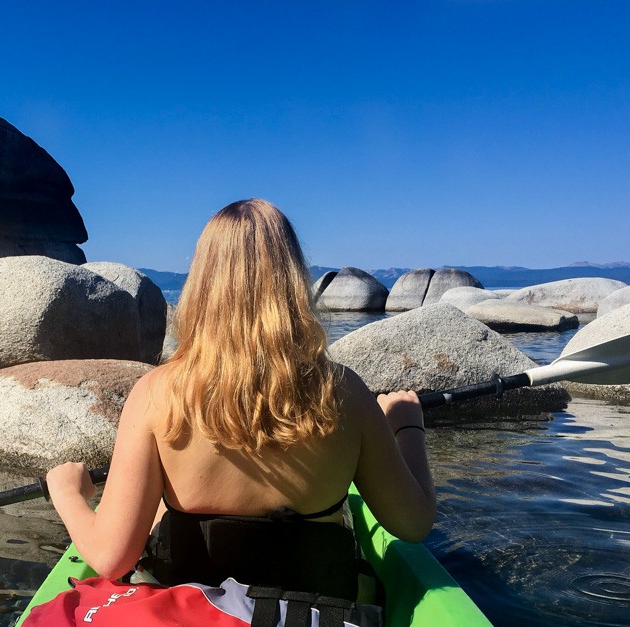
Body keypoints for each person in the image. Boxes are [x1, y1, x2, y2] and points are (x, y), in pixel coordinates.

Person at [45, 198, 435, 585]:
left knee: (164, 515)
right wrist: (406, 427)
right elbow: (413, 524)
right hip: (311, 624)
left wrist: (68, 492)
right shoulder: (345, 392)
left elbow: (111, 560)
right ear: (292, 278)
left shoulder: (155, 394)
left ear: (202, 282)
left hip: (193, 621)